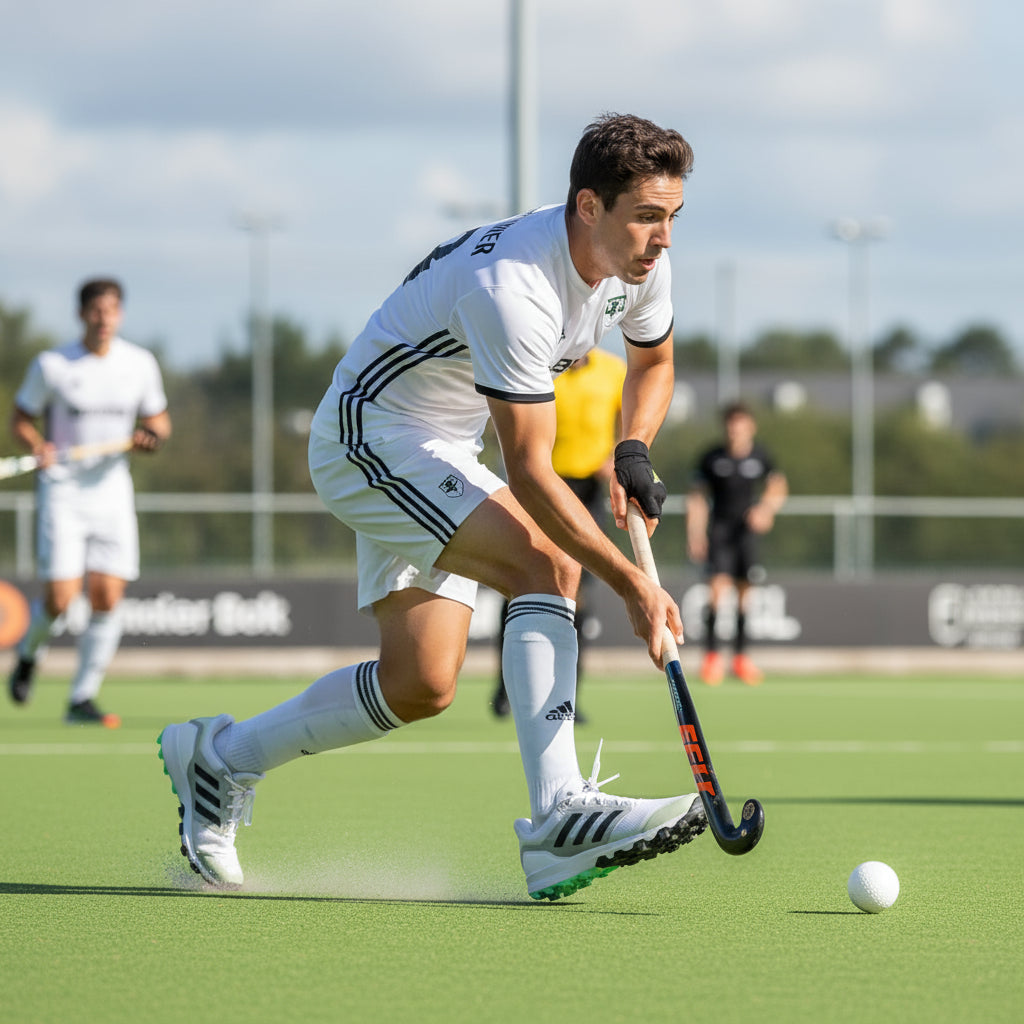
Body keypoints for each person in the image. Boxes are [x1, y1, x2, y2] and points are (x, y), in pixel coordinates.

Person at [157, 113, 707, 902]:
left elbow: (654, 360)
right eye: (648, 216)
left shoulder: (637, 262)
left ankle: (219, 759)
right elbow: (532, 473)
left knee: (420, 683)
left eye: (673, 217)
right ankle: (559, 815)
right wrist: (633, 584)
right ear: (590, 206)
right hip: (370, 437)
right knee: (546, 563)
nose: (663, 239)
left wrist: (633, 450)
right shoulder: (513, 288)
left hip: (445, 446)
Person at [7, 278, 171, 726]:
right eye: (96, 311)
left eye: (111, 310)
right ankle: (29, 655)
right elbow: (21, 418)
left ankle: (82, 697)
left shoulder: (139, 363)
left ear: (120, 314)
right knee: (61, 599)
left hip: (112, 490)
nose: (104, 319)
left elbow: (160, 422)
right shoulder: (53, 365)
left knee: (107, 596)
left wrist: (149, 437)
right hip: (63, 490)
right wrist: (38, 445)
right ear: (82, 314)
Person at [490, 348, 627, 722]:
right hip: (540, 487)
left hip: (588, 493)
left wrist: (618, 456)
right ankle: (505, 689)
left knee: (578, 597)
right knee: (518, 587)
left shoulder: (613, 370)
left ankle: (567, 695)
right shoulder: (538, 366)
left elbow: (630, 422)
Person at [686, 401, 787, 686]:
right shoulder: (711, 458)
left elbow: (778, 486)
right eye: (731, 426)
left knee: (745, 593)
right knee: (717, 590)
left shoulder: (761, 456)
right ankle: (711, 658)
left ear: (750, 427)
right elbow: (696, 498)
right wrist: (695, 534)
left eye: (740, 426)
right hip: (720, 532)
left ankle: (741, 659)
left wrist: (765, 509)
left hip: (746, 533)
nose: (735, 431)